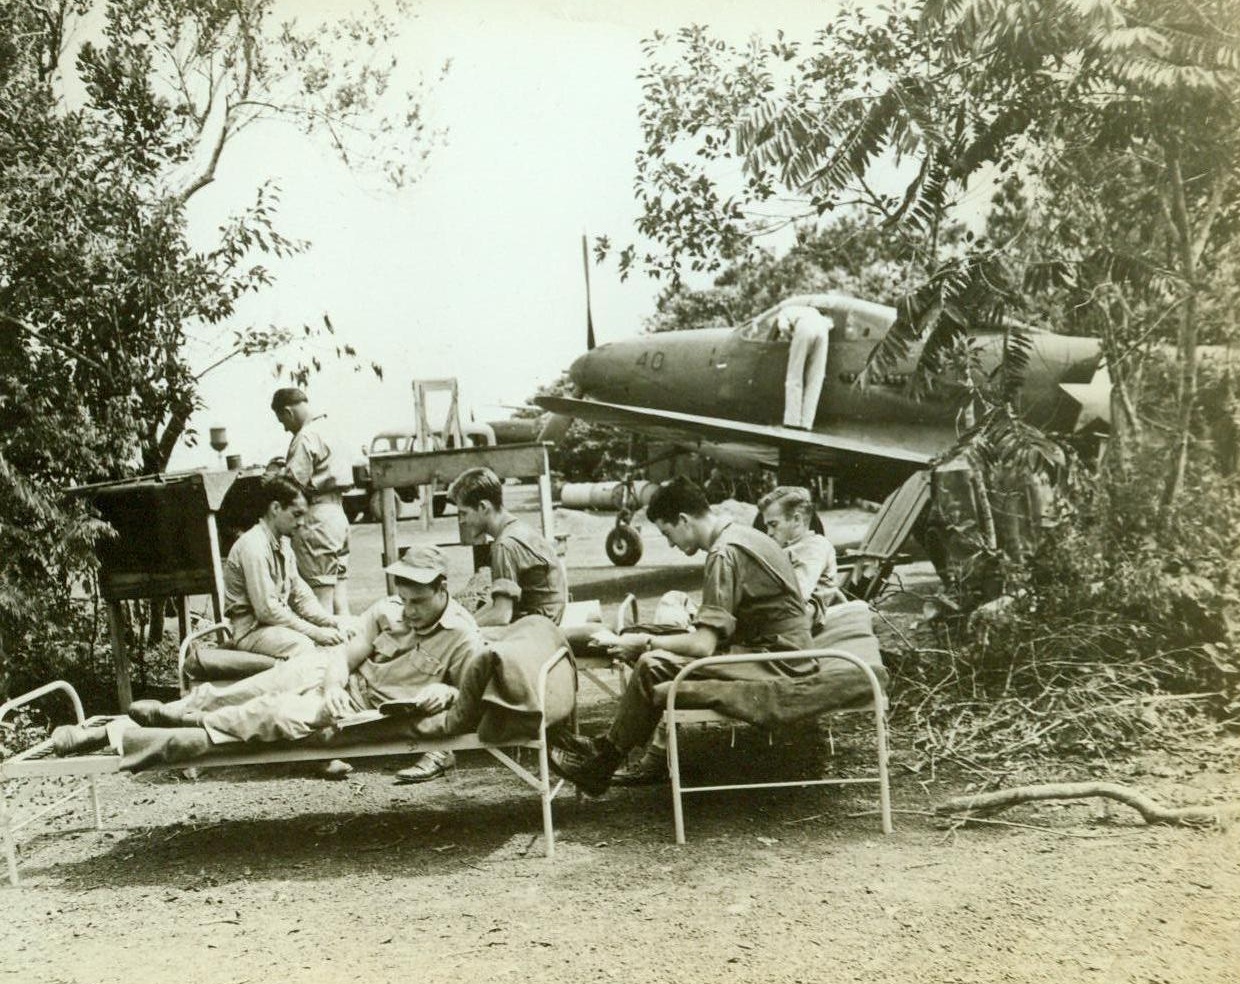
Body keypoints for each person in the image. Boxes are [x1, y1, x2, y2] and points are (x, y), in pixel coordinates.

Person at [53, 547, 484, 770]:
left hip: (361, 709)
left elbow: (467, 693)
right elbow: (344, 656)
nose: (408, 610)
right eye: (404, 598)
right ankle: (146, 719)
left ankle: (142, 729)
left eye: (418, 601)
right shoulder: (389, 610)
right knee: (238, 692)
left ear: (443, 588)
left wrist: (443, 690)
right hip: (327, 676)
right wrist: (333, 685)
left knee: (269, 713)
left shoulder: (464, 638)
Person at [549, 476, 814, 797]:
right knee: (645, 636)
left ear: (684, 521)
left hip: (777, 662)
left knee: (651, 663)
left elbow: (702, 646)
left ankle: (602, 763)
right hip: (782, 650)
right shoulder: (744, 535)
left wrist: (644, 643)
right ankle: (605, 748)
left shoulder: (723, 553)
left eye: (667, 533)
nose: (672, 543)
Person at [224, 475, 352, 661]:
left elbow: (301, 596)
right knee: (305, 646)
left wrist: (333, 621)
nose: (301, 523)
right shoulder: (254, 545)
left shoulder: (283, 544)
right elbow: (266, 610)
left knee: (341, 634)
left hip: (272, 628)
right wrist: (315, 632)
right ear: (275, 508)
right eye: (296, 514)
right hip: (251, 632)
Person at [447, 466, 567, 627]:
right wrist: (467, 622)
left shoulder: (505, 546)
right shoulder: (519, 528)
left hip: (536, 628)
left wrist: (461, 630)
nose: (461, 521)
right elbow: (498, 602)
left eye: (464, 513)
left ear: (483, 507)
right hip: (545, 619)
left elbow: (501, 615)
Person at [271, 387, 353, 615]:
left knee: (320, 602)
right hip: (338, 515)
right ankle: (349, 649)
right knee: (340, 601)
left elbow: (291, 486)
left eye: (282, 421)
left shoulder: (305, 436)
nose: (285, 428)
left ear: (288, 411)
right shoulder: (332, 428)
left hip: (316, 518)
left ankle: (327, 651)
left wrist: (273, 480)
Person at [758, 485, 841, 633]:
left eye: (774, 525)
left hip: (794, 626)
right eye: (767, 526)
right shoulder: (792, 547)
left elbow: (796, 596)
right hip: (783, 620)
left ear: (796, 519)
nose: (769, 533)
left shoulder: (814, 547)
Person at [772, 304, 833, 430]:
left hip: (804, 327)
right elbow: (831, 324)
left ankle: (792, 421)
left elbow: (783, 326)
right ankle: (806, 423)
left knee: (794, 374)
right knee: (816, 377)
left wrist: (792, 337)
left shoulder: (784, 311)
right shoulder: (815, 313)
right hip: (823, 330)